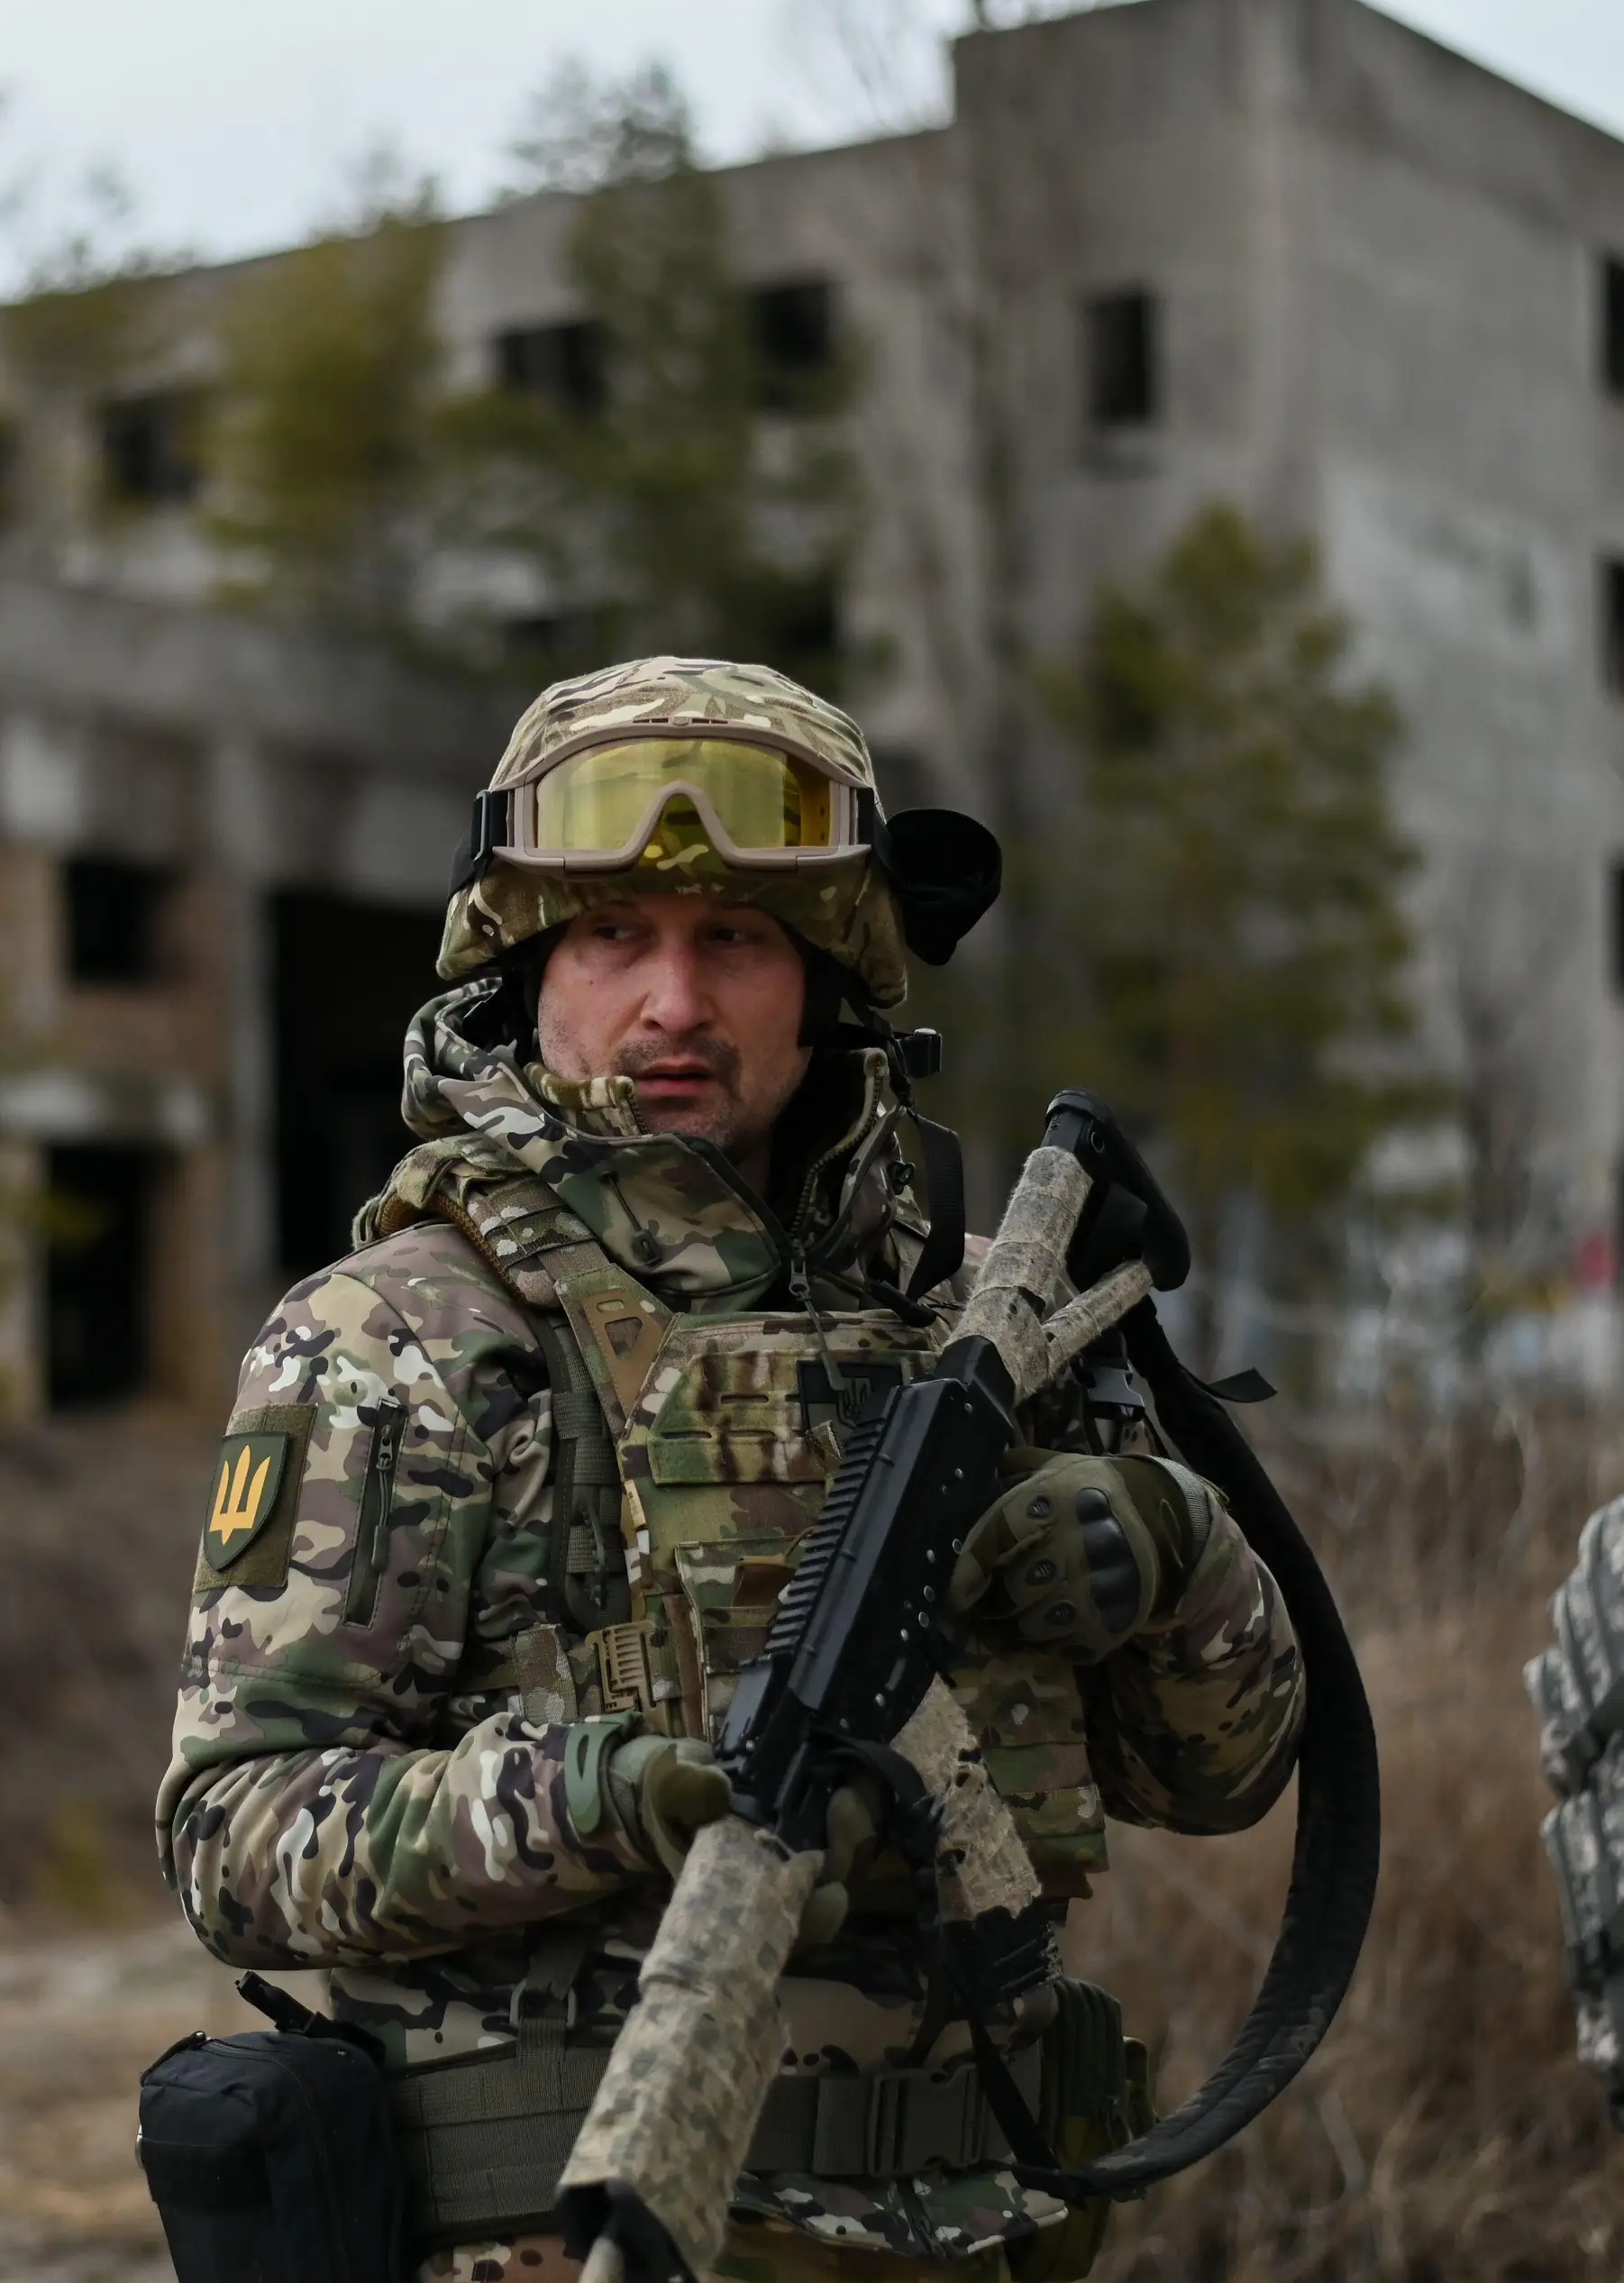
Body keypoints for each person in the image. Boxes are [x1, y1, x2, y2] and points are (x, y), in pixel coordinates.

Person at [157, 656, 1307, 2282]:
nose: (675, 1002)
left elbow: (1221, 1780)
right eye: (615, 935)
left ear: (828, 973)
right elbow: (238, 1839)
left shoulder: (986, 1321)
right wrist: (598, 1798)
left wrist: (1173, 1558)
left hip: (986, 2229)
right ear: (529, 964)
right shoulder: (409, 1332)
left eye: (736, 939)